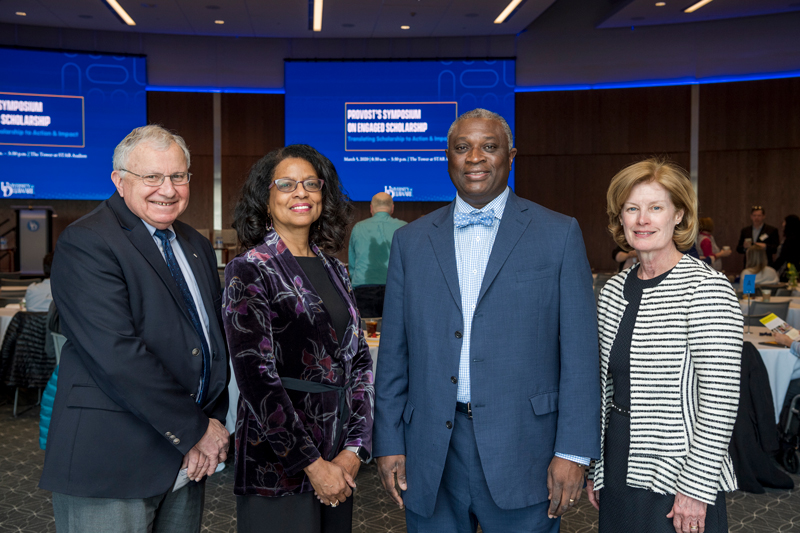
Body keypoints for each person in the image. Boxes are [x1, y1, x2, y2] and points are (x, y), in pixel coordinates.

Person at [373, 108, 601, 532]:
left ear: (511, 156)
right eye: (462, 148)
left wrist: (573, 451)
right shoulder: (411, 241)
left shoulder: (558, 233)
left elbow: (580, 354)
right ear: (448, 157)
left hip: (526, 449)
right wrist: (387, 441)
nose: (474, 157)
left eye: (489, 147)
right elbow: (394, 356)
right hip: (431, 449)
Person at [39, 125, 230, 533]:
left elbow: (211, 344)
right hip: (112, 461)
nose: (168, 188)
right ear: (119, 181)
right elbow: (117, 354)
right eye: (152, 177)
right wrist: (197, 429)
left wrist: (210, 423)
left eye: (178, 176)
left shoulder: (194, 244)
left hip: (185, 460)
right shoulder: (88, 240)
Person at [222, 144, 374, 533]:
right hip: (278, 462)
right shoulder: (250, 269)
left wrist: (353, 452)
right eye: (286, 184)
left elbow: (358, 364)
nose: (301, 192)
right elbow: (256, 381)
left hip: (339, 458)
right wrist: (312, 465)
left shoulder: (336, 269)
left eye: (311, 183)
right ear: (266, 199)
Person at [587, 158, 743, 533]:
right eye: (632, 208)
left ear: (679, 216)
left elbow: (720, 400)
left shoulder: (706, 289)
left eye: (656, 207)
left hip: (679, 474)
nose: (643, 220)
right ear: (620, 218)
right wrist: (596, 467)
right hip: (618, 459)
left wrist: (697, 486)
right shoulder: (612, 291)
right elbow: (603, 388)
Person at [348, 191, 407, 317]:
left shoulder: (358, 227)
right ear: (392, 208)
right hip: (395, 289)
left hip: (363, 289)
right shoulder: (404, 228)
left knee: (366, 332)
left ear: (371, 208)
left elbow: (352, 264)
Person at [773, 214, 800, 280]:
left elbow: (783, 257)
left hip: (790, 270)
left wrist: (772, 268)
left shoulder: (790, 239)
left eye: (784, 222)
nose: (783, 224)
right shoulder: (796, 237)